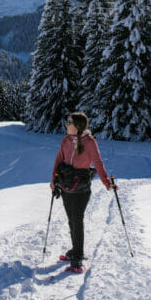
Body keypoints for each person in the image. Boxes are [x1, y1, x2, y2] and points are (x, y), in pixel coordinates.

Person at [50, 112, 113, 273]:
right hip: (65, 186)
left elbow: (98, 162)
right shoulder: (65, 141)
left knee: (77, 220)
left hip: (81, 188)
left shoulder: (89, 142)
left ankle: (77, 257)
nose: (66, 124)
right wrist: (54, 181)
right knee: (71, 220)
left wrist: (107, 182)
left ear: (77, 126)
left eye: (69, 122)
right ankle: (75, 249)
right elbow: (58, 161)